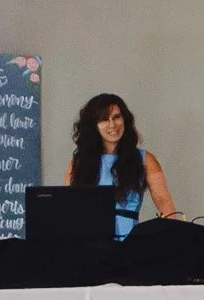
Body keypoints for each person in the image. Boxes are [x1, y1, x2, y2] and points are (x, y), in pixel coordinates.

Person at [66, 93, 176, 240]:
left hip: (130, 242)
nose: (112, 124)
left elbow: (164, 201)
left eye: (117, 117)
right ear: (93, 126)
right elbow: (67, 205)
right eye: (104, 119)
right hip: (89, 242)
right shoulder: (79, 162)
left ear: (125, 119)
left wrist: (174, 235)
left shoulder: (146, 159)